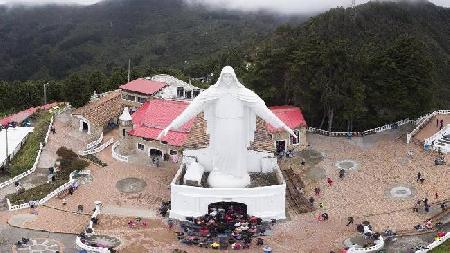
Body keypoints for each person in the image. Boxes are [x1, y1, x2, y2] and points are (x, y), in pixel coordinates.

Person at [157, 66, 296, 188]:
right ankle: (220, 171)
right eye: (225, 76)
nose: (228, 79)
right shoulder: (213, 93)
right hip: (220, 127)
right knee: (221, 150)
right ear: (221, 78)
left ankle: (237, 173)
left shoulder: (243, 93)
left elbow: (263, 111)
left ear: (234, 78)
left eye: (230, 76)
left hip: (237, 127)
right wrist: (171, 125)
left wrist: (283, 125)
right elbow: (192, 109)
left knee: (236, 151)